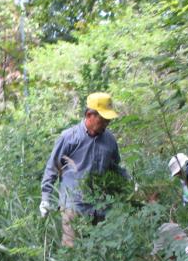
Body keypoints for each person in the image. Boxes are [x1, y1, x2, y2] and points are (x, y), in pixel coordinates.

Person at [40, 92, 129, 247]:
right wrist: (45, 197)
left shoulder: (110, 140)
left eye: (108, 119)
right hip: (74, 205)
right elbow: (53, 167)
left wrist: (129, 181)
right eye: (103, 119)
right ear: (89, 115)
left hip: (100, 206)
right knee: (72, 249)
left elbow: (114, 168)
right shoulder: (69, 137)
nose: (107, 123)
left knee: (99, 250)